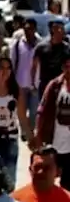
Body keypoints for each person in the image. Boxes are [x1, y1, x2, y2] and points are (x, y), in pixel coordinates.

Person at [34, 51, 70, 189]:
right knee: (49, 176)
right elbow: (41, 111)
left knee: (67, 183)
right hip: (54, 141)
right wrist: (38, 134)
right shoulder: (55, 85)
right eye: (66, 66)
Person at [12, 16, 42, 124]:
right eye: (26, 28)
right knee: (21, 111)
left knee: (34, 111)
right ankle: (25, 133)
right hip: (21, 83)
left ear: (35, 29)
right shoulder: (17, 44)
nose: (28, 31)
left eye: (31, 28)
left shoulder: (40, 44)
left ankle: (31, 131)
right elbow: (13, 62)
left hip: (35, 84)